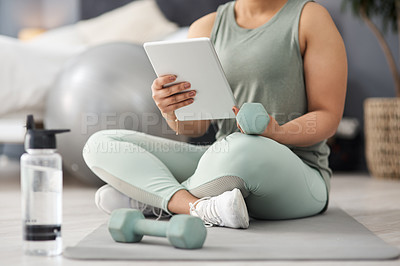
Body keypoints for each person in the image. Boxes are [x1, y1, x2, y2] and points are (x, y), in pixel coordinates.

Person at [83, 0, 347, 228]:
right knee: (100, 144)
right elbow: (195, 128)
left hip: (294, 172)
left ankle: (151, 198)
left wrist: (277, 133)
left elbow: (327, 115)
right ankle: (196, 207)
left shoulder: (311, 18)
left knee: (245, 148)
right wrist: (171, 110)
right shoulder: (205, 27)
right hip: (220, 159)